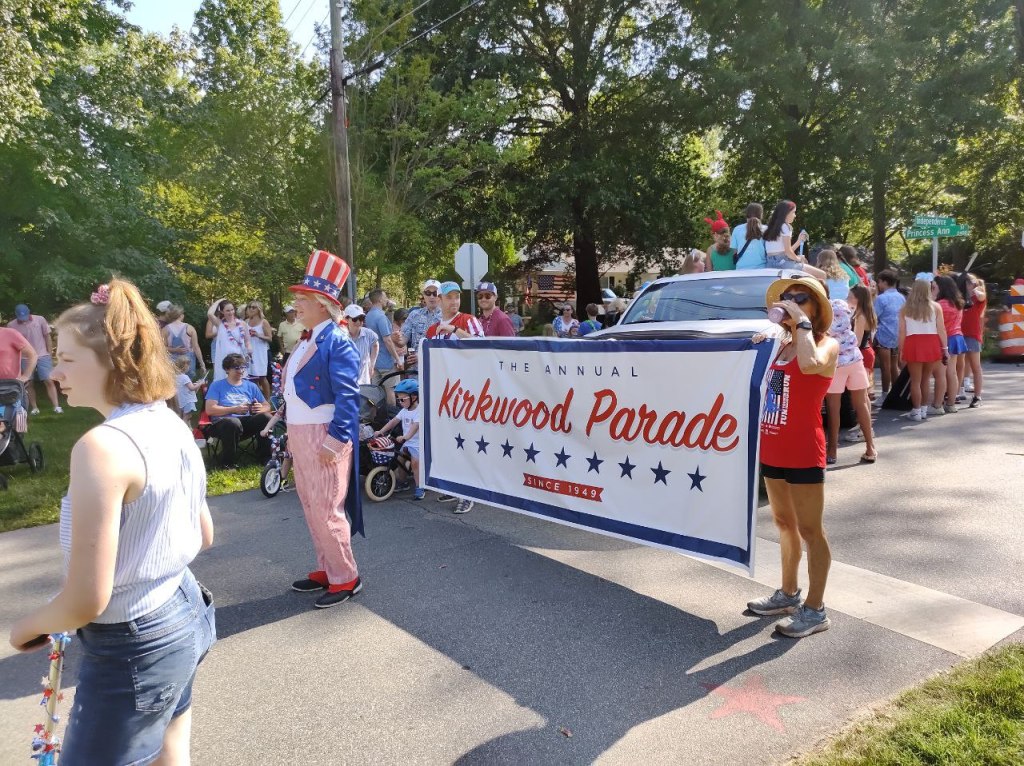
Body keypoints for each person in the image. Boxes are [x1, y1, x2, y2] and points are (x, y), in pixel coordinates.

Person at [9, 279, 216, 765]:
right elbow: (204, 533)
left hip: (133, 644)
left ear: (115, 361)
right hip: (186, 611)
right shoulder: (171, 422)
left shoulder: (102, 448)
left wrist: (26, 627)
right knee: (171, 753)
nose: (55, 371)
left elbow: (86, 600)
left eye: (68, 358)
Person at [750, 276, 838, 637]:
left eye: (800, 298)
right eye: (786, 298)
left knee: (810, 530)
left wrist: (801, 323)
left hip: (803, 448)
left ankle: (815, 610)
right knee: (783, 524)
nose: (791, 302)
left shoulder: (825, 344)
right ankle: (788, 594)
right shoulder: (777, 344)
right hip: (773, 445)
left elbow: (812, 364)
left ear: (816, 307)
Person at [284, 250, 364, 609]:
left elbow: (349, 396)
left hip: (323, 433)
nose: (297, 303)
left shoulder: (337, 340)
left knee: (327, 507)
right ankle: (327, 567)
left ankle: (346, 575)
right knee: (309, 504)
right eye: (298, 298)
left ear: (321, 303)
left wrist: (337, 438)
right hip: (302, 431)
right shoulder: (309, 336)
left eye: (302, 298)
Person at [824, 299, 877, 465]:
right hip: (855, 360)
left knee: (833, 409)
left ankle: (832, 450)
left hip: (836, 364)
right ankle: (870, 447)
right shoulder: (842, 306)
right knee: (861, 404)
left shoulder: (822, 311)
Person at [204, 353, 272, 468]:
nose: (241, 371)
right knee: (232, 422)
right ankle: (228, 463)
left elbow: (267, 406)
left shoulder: (251, 386)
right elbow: (210, 409)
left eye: (243, 367)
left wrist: (260, 408)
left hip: (246, 422)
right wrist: (234, 409)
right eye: (237, 368)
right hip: (223, 424)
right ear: (227, 369)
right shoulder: (217, 386)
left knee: (266, 418)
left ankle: (265, 457)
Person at [898, 274, 948, 422]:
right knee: (926, 379)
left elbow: (902, 332)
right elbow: (942, 329)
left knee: (915, 380)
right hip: (931, 343)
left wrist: (901, 350)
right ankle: (924, 409)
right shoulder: (936, 307)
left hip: (913, 343)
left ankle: (916, 410)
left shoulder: (905, 308)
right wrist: (945, 348)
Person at [373, 378, 423, 500]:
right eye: (398, 399)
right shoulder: (404, 410)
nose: (400, 402)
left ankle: (419, 487)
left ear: (414, 397)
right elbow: (393, 422)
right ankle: (403, 481)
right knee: (400, 458)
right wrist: (381, 431)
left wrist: (406, 436)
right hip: (407, 442)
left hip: (418, 443)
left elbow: (415, 426)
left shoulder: (419, 411)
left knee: (415, 463)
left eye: (402, 399)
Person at [8, 304, 62, 414]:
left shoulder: (40, 319)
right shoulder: (11, 325)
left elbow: (47, 336)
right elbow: (12, 344)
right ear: (16, 315)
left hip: (42, 355)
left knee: (48, 380)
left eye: (25, 316)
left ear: (29, 313)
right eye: (20, 317)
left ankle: (57, 406)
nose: (23, 320)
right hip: (24, 358)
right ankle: (35, 408)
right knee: (29, 382)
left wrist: (49, 352)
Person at [762, 201, 826, 279]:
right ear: (786, 213)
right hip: (783, 263)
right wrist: (799, 259)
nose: (795, 215)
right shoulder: (785, 227)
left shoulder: (771, 228)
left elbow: (785, 252)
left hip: (771, 263)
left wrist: (799, 241)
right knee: (823, 275)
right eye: (793, 212)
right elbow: (788, 253)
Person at [933, 274, 966, 413]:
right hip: (957, 337)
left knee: (940, 374)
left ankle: (937, 405)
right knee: (952, 373)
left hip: (944, 339)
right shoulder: (958, 302)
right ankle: (951, 403)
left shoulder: (940, 305)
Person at [872, 269, 905, 400]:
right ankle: (896, 393)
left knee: (885, 367)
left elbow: (874, 317)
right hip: (897, 335)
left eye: (879, 282)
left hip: (884, 335)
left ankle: (885, 394)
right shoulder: (901, 297)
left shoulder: (881, 298)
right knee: (894, 366)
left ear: (884, 282)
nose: (878, 285)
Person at [364, 289, 401, 403]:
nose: (387, 299)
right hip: (386, 361)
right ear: (380, 299)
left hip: (374, 360)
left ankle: (377, 417)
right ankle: (391, 415)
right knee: (390, 390)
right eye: (385, 297)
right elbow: (387, 340)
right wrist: (397, 358)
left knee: (376, 391)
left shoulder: (368, 316)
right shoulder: (381, 317)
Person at [957, 272, 986, 407]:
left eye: (973, 283)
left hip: (972, 335)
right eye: (968, 283)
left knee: (975, 366)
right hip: (958, 334)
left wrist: (974, 287)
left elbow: (982, 296)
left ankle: (977, 396)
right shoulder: (959, 298)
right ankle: (957, 392)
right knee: (959, 366)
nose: (971, 285)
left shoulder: (977, 297)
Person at [205, 298, 252, 382]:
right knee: (224, 380)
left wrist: (249, 348)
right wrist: (219, 301)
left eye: (232, 310)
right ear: (222, 312)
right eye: (227, 310)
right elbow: (209, 313)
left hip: (238, 356)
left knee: (238, 379)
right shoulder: (220, 324)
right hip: (224, 357)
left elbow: (247, 341)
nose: (231, 312)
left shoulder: (242, 324)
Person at [403, 279, 443, 370]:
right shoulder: (414, 314)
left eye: (435, 293)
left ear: (441, 295)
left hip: (437, 370)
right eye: (428, 293)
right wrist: (395, 338)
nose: (432, 296)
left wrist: (421, 356)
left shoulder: (447, 317)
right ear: (424, 295)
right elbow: (402, 340)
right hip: (416, 371)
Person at [848, 284, 878, 401]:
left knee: (862, 394)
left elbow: (857, 341)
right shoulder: (864, 313)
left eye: (850, 297)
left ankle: (863, 418)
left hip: (863, 354)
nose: (848, 299)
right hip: (866, 351)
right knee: (864, 392)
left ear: (858, 299)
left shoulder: (860, 316)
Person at [162, 305, 207, 378]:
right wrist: (202, 363)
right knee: (188, 383)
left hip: (172, 362)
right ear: (181, 315)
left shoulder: (165, 330)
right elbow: (196, 347)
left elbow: (162, 348)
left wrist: (174, 350)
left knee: (174, 384)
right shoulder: (190, 328)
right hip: (188, 362)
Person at [343, 303, 379, 385]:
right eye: (355, 319)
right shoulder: (340, 335)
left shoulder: (369, 333)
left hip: (363, 382)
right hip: (346, 383)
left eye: (362, 318)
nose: (359, 321)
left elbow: (375, 345)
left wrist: (372, 364)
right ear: (346, 319)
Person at [244, 301, 273, 399]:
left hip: (260, 351)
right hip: (249, 351)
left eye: (253, 307)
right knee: (251, 376)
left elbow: (270, 338)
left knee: (261, 376)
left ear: (258, 309)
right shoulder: (246, 322)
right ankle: (256, 398)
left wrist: (257, 335)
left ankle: (268, 399)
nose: (250, 309)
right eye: (249, 307)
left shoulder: (263, 322)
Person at [733, 203, 768, 270]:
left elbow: (734, 251)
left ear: (746, 214)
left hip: (741, 270)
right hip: (762, 269)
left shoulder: (737, 229)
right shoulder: (766, 229)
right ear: (761, 215)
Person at [173, 356, 204, 429]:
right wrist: (200, 383)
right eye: (188, 365)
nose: (189, 367)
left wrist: (195, 384)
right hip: (187, 401)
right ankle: (183, 430)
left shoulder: (176, 377)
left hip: (180, 400)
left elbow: (185, 387)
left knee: (181, 416)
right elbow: (192, 388)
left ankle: (188, 430)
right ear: (184, 366)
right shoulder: (185, 377)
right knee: (187, 416)